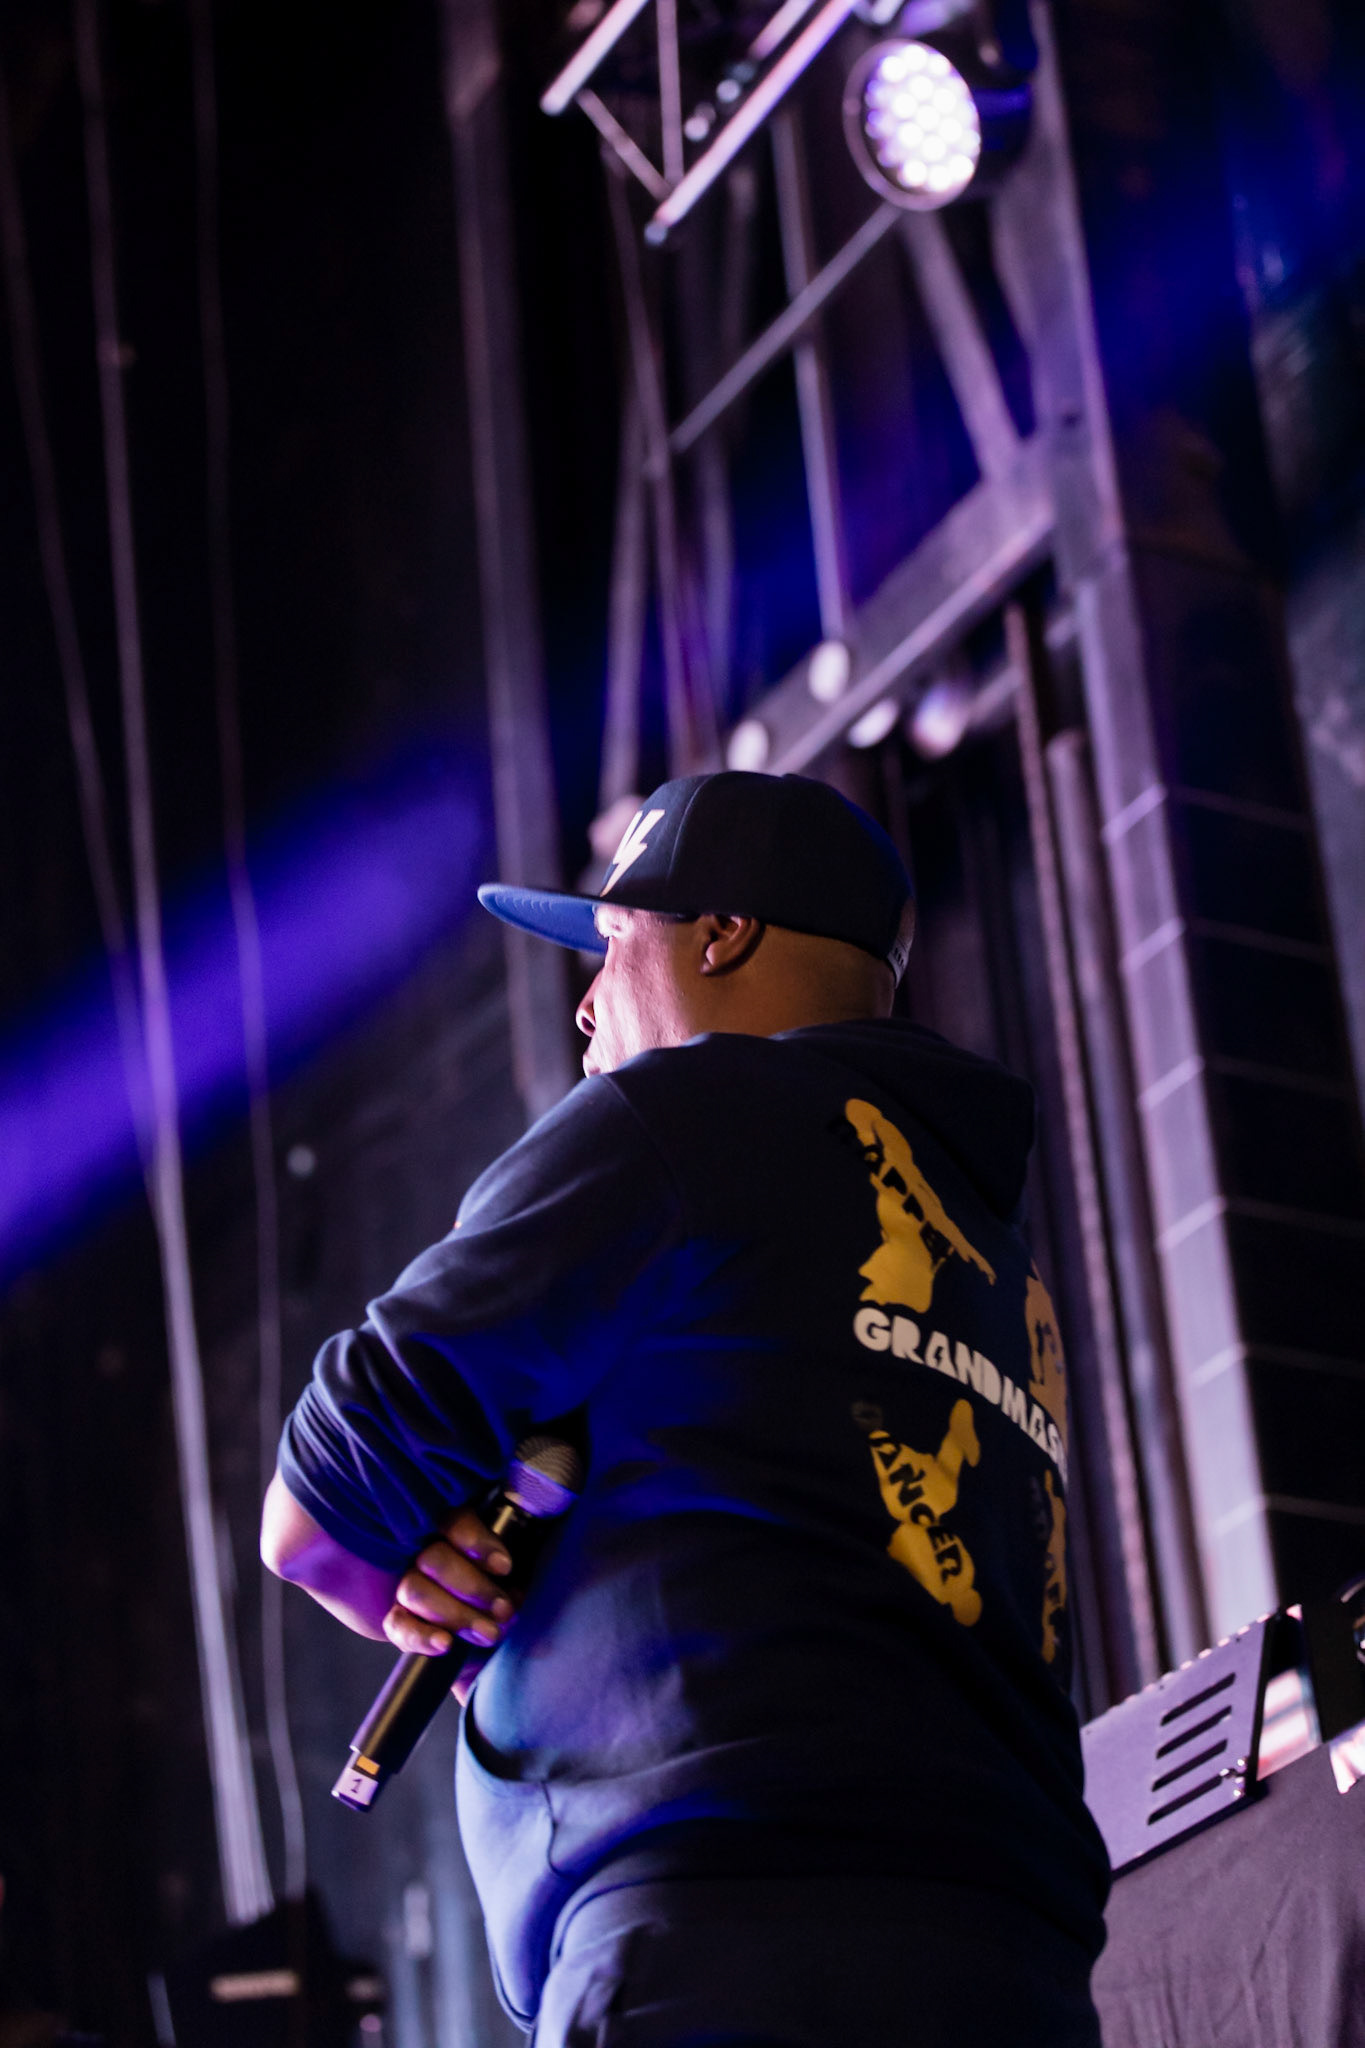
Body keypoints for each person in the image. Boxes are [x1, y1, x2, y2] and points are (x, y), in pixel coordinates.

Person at [261, 770, 1110, 2047]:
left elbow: (316, 1506)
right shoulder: (1002, 1266)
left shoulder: (684, 1115)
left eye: (613, 941)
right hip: (1012, 1975)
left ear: (721, 935)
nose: (589, 1001)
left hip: (709, 1950)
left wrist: (403, 1583)